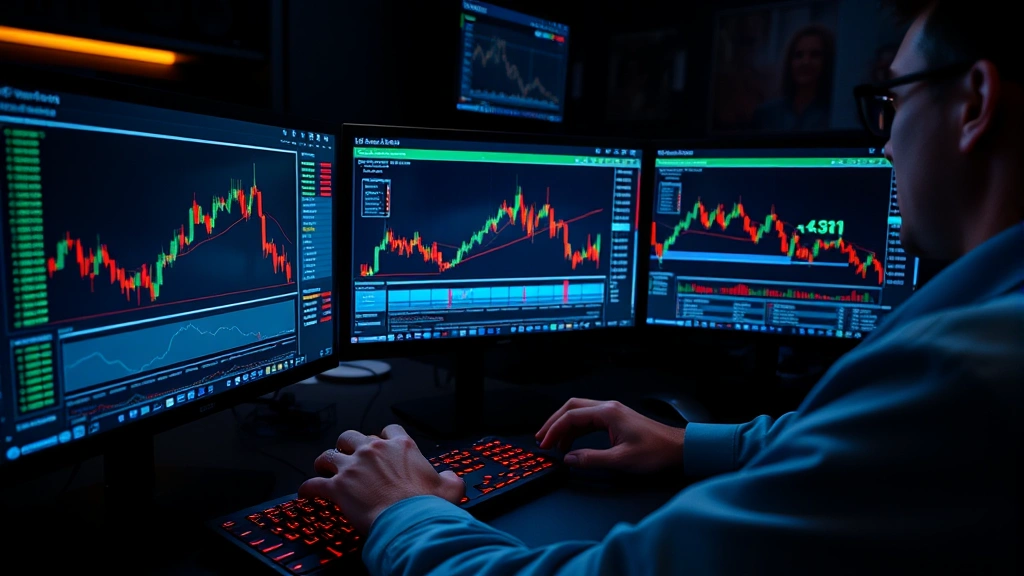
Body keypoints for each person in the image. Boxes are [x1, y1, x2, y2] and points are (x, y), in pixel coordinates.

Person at [300, 1, 1022, 573]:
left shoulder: (963, 374)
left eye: (891, 103)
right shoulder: (980, 344)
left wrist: (403, 512)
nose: (884, 141)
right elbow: (858, 441)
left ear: (975, 102)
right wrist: (690, 444)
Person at [752, 24, 835, 132]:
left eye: (815, 54)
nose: (805, 62)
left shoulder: (834, 112)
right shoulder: (766, 114)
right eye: (798, 55)